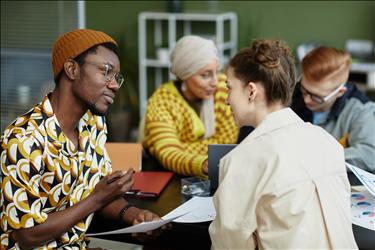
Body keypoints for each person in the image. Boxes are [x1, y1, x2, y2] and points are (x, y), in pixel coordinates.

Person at [0, 29, 164, 249]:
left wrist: (135, 215)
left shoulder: (92, 124)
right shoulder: (23, 139)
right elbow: (27, 236)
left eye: (116, 77)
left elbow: (99, 192)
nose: (114, 85)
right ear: (72, 69)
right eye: (106, 71)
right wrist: (96, 199)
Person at [209, 39, 357, 249]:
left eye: (229, 88)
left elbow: (229, 245)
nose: (226, 100)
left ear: (251, 91)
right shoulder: (328, 143)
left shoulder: (242, 160)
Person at [143, 35, 238, 178]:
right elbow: (168, 154)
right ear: (184, 75)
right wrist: (201, 162)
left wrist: (180, 147)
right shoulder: (162, 100)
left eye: (216, 72)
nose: (214, 81)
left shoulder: (224, 89)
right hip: (172, 177)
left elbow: (226, 143)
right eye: (205, 75)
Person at [291, 46, 375, 173]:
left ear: (340, 92)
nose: (307, 99)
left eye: (316, 97)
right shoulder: (290, 97)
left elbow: (369, 155)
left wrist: (321, 158)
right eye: (304, 90)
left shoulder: (360, 109)